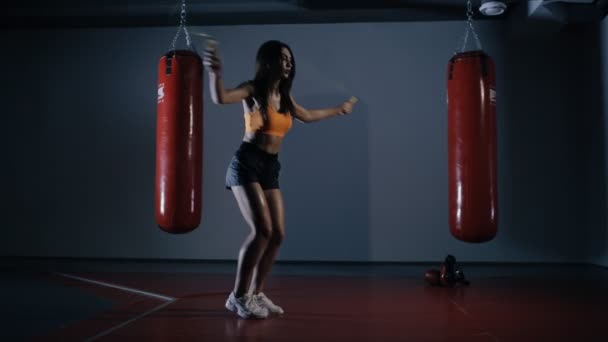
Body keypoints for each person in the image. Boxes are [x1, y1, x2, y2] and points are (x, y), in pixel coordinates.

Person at [203, 40, 357, 319]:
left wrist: (339, 109)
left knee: (277, 235)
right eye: (283, 58)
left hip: (270, 168)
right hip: (246, 164)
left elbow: (308, 115)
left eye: (290, 60)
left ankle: (256, 294)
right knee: (261, 231)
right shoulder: (253, 90)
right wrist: (215, 74)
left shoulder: (285, 98)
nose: (289, 63)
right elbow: (221, 98)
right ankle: (237, 297)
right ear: (269, 62)